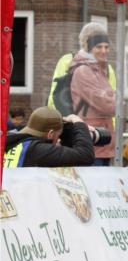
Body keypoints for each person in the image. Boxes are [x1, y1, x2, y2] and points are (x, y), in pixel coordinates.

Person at [68, 23, 116, 165]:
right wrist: (117, 100)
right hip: (93, 143)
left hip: (102, 140)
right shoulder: (84, 71)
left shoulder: (98, 69)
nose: (104, 51)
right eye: (99, 47)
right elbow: (107, 105)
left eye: (106, 47)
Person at [4, 107, 95, 168]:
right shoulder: (37, 150)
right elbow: (85, 156)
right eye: (58, 135)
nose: (58, 139)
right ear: (50, 134)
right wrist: (78, 122)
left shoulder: (9, 139)